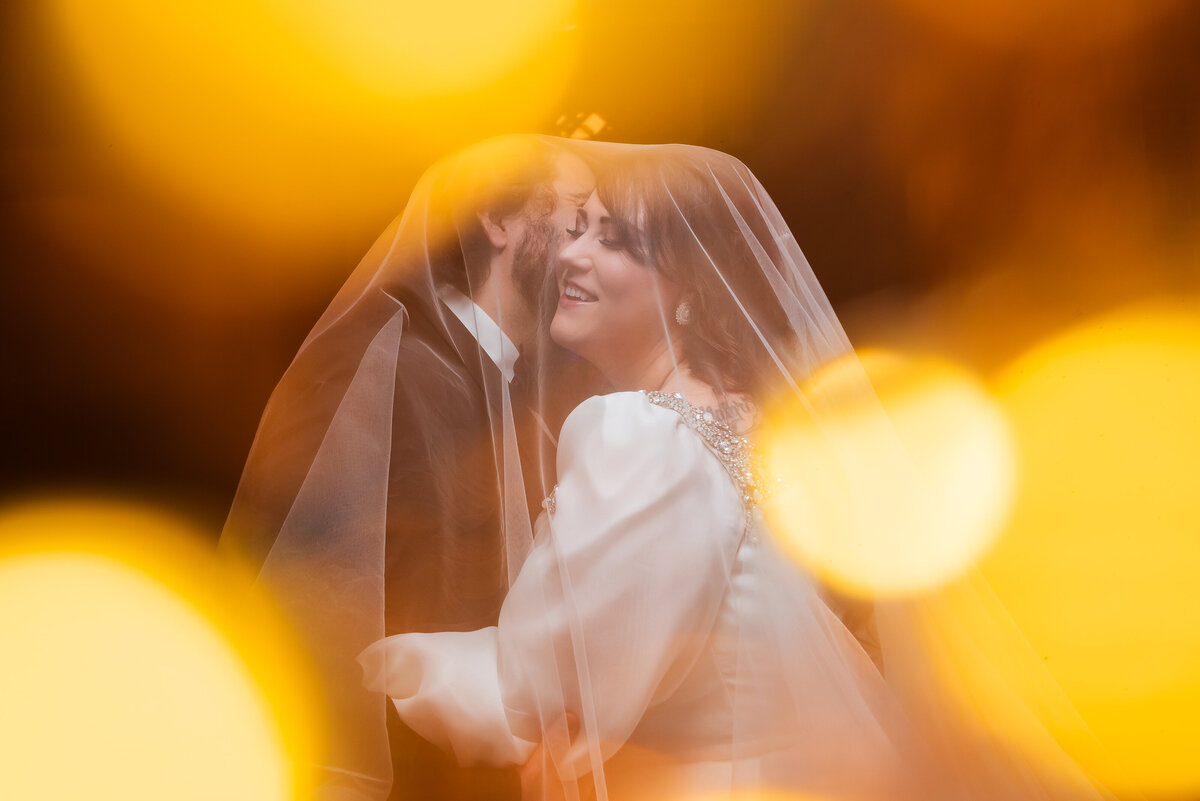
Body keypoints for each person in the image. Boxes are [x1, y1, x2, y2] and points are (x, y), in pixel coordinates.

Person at [357, 143, 1120, 801]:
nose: (572, 255)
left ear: (689, 291)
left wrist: (388, 669)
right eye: (577, 230)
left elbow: (537, 683)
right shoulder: (748, 423)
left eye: (615, 241)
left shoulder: (635, 430)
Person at [220, 135, 596, 800]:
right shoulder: (383, 366)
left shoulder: (536, 404)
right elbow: (307, 587)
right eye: (574, 212)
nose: (588, 243)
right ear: (499, 222)